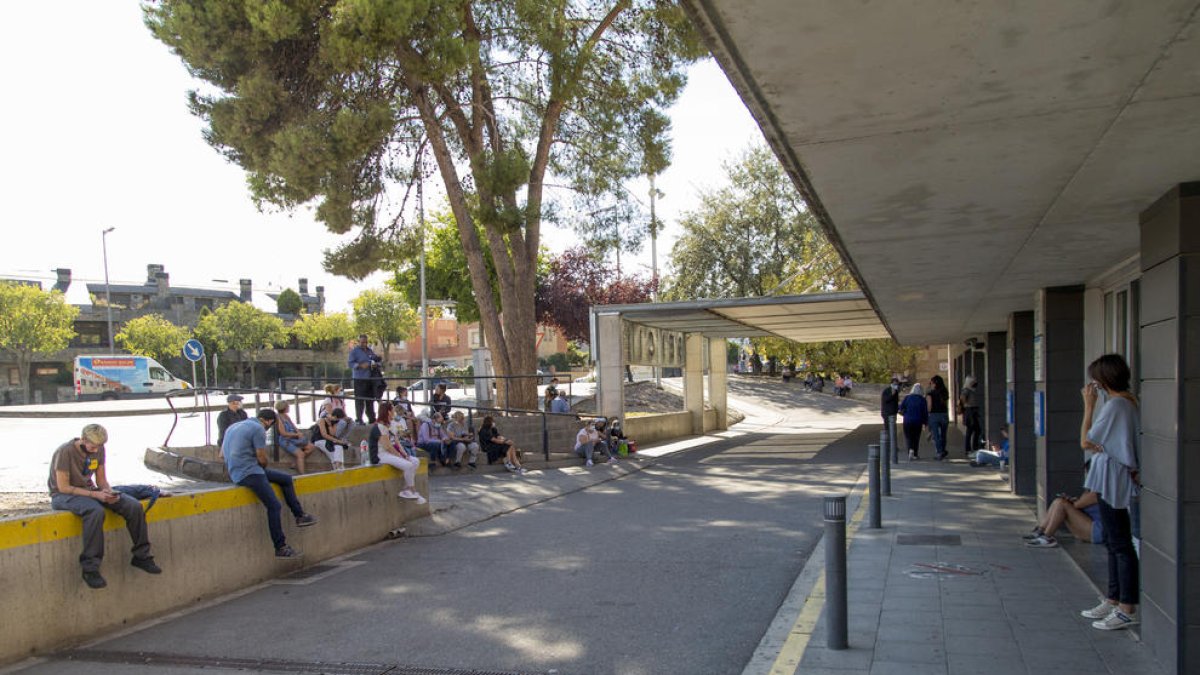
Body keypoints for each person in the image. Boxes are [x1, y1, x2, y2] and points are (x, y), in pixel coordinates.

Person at [49, 423, 162, 589]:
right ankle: (90, 567)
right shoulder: (65, 452)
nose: (96, 450)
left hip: (90, 491)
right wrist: (95, 495)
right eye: (92, 446)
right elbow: (63, 487)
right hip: (64, 496)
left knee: (133, 506)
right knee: (95, 511)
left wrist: (108, 492)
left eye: (99, 447)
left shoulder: (99, 449)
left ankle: (142, 555)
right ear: (83, 440)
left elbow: (101, 479)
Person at [1078, 353, 1140, 631]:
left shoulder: (1116, 405)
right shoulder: (1128, 402)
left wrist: (1088, 406)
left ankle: (1126, 606)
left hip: (1112, 479)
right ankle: (1114, 599)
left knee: (1119, 544)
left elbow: (1086, 440)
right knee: (1117, 542)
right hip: (1113, 477)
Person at [223, 408, 318, 558]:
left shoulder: (233, 427)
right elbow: (262, 457)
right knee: (274, 505)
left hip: (236, 472)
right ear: (268, 421)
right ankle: (280, 546)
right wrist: (263, 466)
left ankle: (300, 515)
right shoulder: (258, 429)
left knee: (286, 479)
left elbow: (222, 454)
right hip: (250, 472)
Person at [370, 403, 426, 503]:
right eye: (393, 411)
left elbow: (397, 442)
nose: (394, 413)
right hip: (380, 455)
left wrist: (405, 454)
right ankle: (412, 490)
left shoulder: (390, 426)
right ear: (388, 412)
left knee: (415, 461)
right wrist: (400, 456)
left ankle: (406, 489)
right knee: (408, 465)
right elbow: (388, 447)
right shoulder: (379, 427)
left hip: (390, 453)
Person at [1025, 490, 1104, 548]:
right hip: (1092, 527)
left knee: (1062, 504)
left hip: (1097, 531)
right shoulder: (1094, 491)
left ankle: (1047, 537)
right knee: (1058, 501)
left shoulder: (1097, 493)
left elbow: (1078, 505)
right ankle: (1041, 530)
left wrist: (1072, 501)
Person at [273, 400, 316, 474]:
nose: (289, 407)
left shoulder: (286, 416)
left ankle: (296, 463)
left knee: (311, 447)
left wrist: (299, 433)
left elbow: (294, 426)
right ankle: (302, 474)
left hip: (293, 437)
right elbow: (283, 433)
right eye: (288, 406)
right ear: (284, 408)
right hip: (285, 440)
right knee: (300, 454)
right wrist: (296, 435)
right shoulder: (278, 418)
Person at [348, 334, 382, 424]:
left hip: (369, 379)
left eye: (366, 342)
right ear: (359, 342)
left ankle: (372, 419)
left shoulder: (370, 351)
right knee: (359, 400)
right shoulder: (354, 351)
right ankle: (359, 419)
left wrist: (376, 364)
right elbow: (350, 364)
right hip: (359, 379)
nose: (364, 344)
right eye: (362, 342)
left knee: (370, 400)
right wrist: (360, 365)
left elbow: (377, 361)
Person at [899, 383, 929, 460]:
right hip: (918, 421)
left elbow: (900, 407)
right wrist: (926, 423)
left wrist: (904, 412)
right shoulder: (922, 400)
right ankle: (915, 453)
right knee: (916, 437)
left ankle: (910, 450)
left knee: (908, 437)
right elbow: (925, 412)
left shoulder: (907, 398)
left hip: (907, 420)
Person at [926, 375, 951, 460]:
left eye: (931, 382)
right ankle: (943, 450)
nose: (930, 384)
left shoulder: (930, 393)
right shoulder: (945, 392)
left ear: (934, 384)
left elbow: (929, 405)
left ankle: (939, 452)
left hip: (934, 415)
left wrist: (928, 413)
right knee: (943, 434)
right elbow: (946, 404)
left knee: (936, 435)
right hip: (944, 414)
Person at [958, 375, 982, 457]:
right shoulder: (966, 390)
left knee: (976, 430)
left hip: (972, 411)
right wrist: (966, 404)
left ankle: (973, 448)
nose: (974, 384)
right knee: (971, 430)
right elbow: (962, 398)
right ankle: (970, 449)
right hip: (970, 411)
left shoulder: (970, 390)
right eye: (972, 382)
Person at [880, 378, 900, 458]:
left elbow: (896, 402)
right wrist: (892, 394)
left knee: (893, 430)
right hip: (887, 413)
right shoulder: (887, 391)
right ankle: (887, 445)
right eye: (894, 384)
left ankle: (893, 445)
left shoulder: (896, 392)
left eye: (897, 384)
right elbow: (886, 400)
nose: (896, 386)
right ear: (891, 383)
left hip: (893, 413)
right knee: (888, 429)